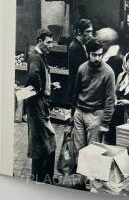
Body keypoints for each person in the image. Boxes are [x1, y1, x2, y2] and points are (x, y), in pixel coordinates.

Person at [25, 29, 60, 183]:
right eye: (48, 42)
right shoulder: (35, 57)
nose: (51, 45)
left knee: (48, 141)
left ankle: (45, 179)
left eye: (52, 42)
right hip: (36, 107)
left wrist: (49, 85)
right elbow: (33, 76)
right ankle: (39, 180)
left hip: (40, 105)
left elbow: (39, 77)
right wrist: (40, 91)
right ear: (40, 41)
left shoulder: (41, 56)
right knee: (40, 145)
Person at [71, 38, 116, 157]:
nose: (97, 58)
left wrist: (105, 123)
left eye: (100, 55)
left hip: (96, 115)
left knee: (92, 153)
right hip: (80, 112)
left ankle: (90, 176)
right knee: (78, 151)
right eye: (94, 55)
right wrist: (73, 112)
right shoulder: (82, 68)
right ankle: (81, 176)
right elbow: (76, 91)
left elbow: (110, 99)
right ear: (88, 53)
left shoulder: (108, 72)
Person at [68, 19, 93, 101]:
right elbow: (81, 71)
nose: (90, 35)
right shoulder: (74, 47)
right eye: (87, 32)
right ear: (79, 32)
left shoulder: (83, 44)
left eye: (91, 32)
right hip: (77, 89)